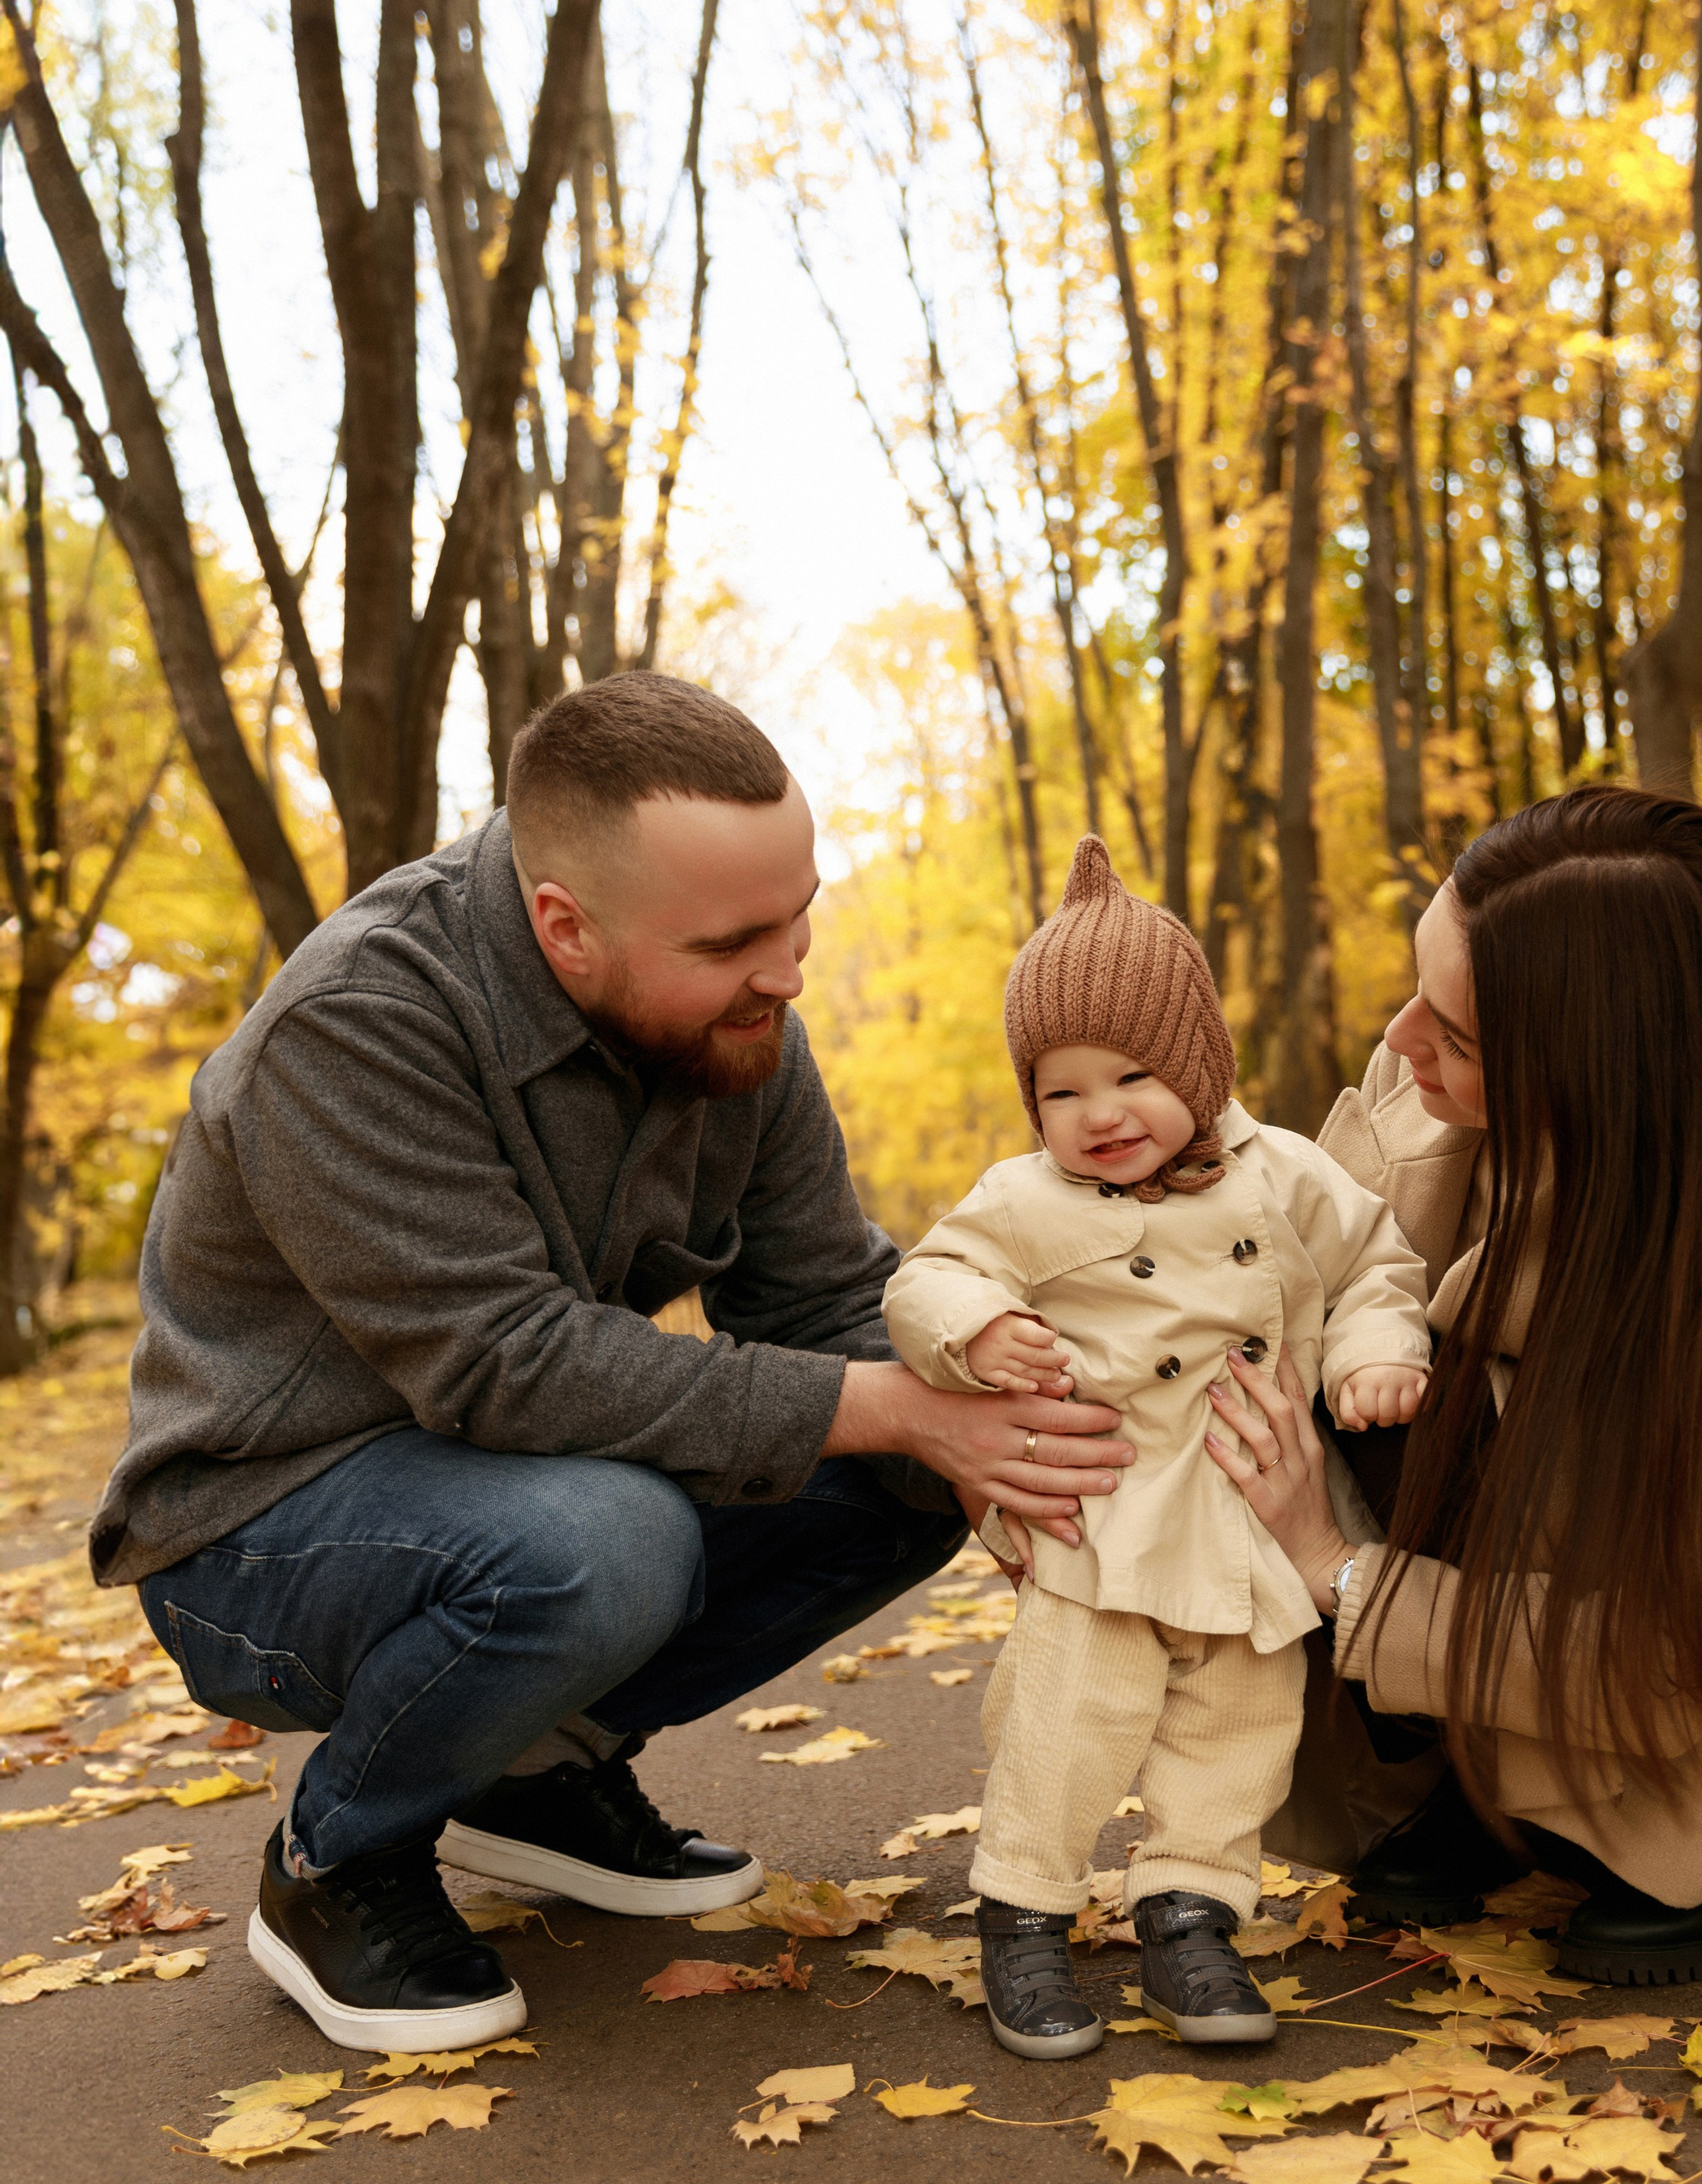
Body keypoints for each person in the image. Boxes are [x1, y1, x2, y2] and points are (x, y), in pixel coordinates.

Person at [91, 675, 1135, 2052]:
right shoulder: (354, 1025)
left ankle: (532, 1768)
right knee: (609, 1540)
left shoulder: (741, 1020)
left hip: (499, 1481)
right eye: (732, 940)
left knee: (912, 1470)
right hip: (257, 1530)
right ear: (563, 925)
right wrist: (887, 1403)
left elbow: (826, 1295)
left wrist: (1022, 1409)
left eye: (799, 911)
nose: (789, 968)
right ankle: (336, 1861)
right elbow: (505, 1365)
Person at [1201, 786, 1702, 1987]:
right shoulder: (1445, 1089)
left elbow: (1677, 1664)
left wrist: (1334, 1569)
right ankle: (1477, 1782)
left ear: (1596, 1071)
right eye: (1422, 995)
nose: (1404, 1038)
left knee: (1435, 1422)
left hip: (1692, 1676)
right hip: (1506, 1597)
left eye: (1453, 1034)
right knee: (1337, 1382)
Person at [883, 836, 1431, 2058]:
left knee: (1236, 1736)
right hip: (1104, 1523)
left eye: (1132, 1074)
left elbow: (1377, 1265)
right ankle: (1024, 1910)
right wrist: (983, 1328)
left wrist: (1369, 1355)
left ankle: (1194, 1912)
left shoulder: (1282, 1174)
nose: (1099, 1113)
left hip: (1248, 1520)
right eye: (1062, 1090)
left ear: (1198, 1064)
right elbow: (926, 1279)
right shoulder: (1026, 1199)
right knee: (1065, 1725)